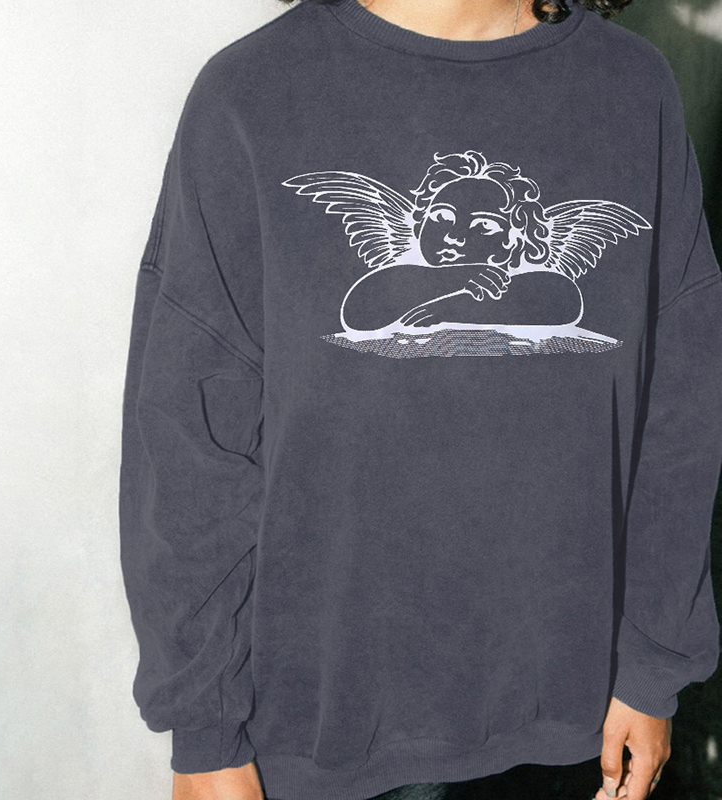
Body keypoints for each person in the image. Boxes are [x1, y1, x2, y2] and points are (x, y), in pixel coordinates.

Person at [117, 0, 722, 798]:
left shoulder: (631, 88)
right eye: (439, 218)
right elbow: (189, 446)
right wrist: (204, 733)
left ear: (521, 236)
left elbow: (679, 413)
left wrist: (653, 666)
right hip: (322, 735)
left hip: (577, 721)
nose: (458, 234)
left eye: (482, 226)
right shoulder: (252, 94)